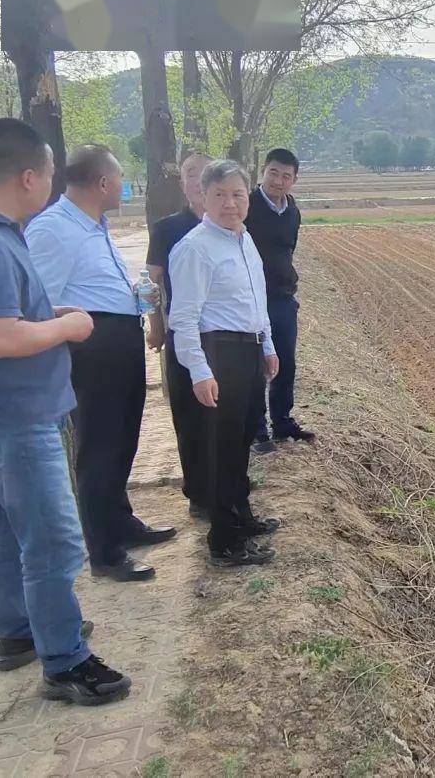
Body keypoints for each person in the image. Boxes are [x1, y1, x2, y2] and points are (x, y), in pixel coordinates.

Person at [0, 118, 131, 704]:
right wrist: (70, 324)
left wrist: (49, 311)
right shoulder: (3, 244)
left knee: (11, 531)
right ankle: (65, 660)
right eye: (50, 171)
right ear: (29, 177)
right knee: (54, 540)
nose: (54, 180)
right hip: (22, 414)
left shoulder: (11, 236)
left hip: (16, 409)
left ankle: (19, 630)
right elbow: (4, 335)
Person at [26, 145, 175, 583]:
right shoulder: (53, 230)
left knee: (124, 436)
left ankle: (120, 521)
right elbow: (40, 301)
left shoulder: (95, 225)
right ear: (104, 183)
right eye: (120, 176)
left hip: (118, 338)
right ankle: (105, 552)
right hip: (92, 348)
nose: (124, 184)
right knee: (99, 445)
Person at [169, 159, 282, 566]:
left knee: (239, 443)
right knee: (220, 449)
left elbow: (256, 300)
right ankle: (224, 541)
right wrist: (199, 371)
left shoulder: (243, 240)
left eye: (237, 194)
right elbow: (182, 318)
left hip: (249, 350)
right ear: (203, 197)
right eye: (219, 195)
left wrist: (267, 345)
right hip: (219, 352)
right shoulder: (195, 249)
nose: (230, 203)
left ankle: (241, 516)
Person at [146, 152, 212, 518]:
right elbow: (151, 284)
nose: (197, 181)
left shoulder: (234, 226)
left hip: (225, 337)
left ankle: (228, 484)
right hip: (185, 333)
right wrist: (156, 324)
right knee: (189, 416)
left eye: (204, 174)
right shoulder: (167, 228)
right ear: (183, 184)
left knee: (228, 415)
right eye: (190, 174)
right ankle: (199, 494)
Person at [245, 148, 313, 452]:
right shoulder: (247, 205)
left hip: (283, 298)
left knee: (285, 361)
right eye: (273, 173)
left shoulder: (292, 210)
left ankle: (282, 420)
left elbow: (289, 249)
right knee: (256, 364)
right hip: (252, 298)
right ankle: (257, 429)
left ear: (294, 180)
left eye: (286, 176)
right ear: (263, 172)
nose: (279, 181)